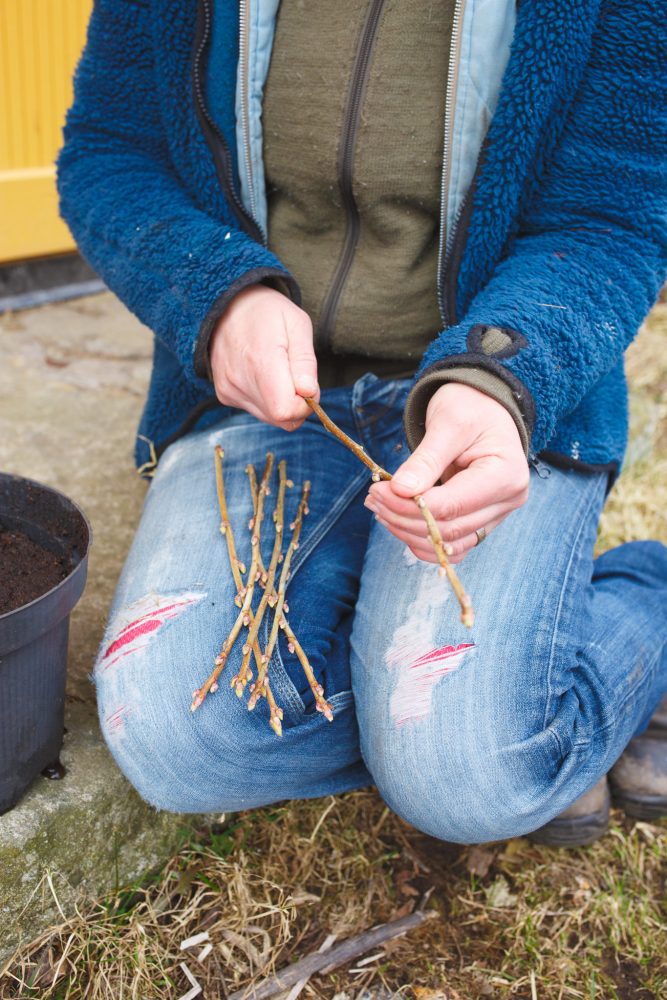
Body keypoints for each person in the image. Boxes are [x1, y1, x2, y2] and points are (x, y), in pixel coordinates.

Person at [57, 0, 667, 847]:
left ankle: (641, 604)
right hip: (262, 400)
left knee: (467, 782)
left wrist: (497, 376)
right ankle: (504, 704)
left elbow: (612, 218)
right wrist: (214, 291)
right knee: (182, 740)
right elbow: (109, 153)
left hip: (497, 391)